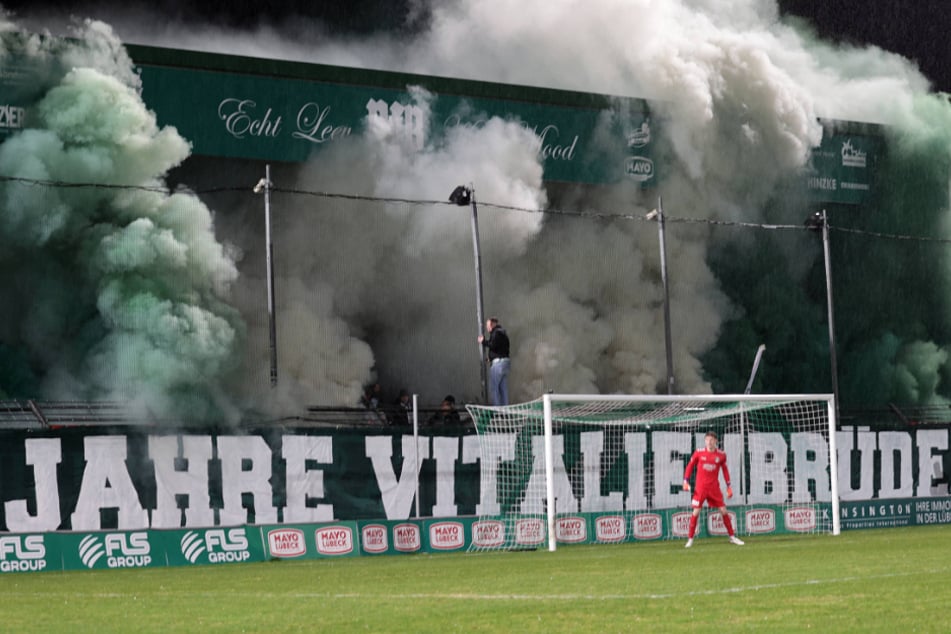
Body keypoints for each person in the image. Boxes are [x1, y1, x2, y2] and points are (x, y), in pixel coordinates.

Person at [682, 430, 744, 548]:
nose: (709, 442)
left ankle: (732, 537)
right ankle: (690, 539)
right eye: (707, 440)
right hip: (701, 488)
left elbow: (725, 470)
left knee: (723, 511)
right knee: (696, 512)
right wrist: (685, 481)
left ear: (716, 441)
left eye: (711, 440)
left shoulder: (721, 455)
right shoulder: (699, 453)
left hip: (714, 488)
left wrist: (729, 486)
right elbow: (689, 466)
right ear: (705, 441)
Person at [478, 317, 510, 405]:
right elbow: (501, 349)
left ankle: (497, 410)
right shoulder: (503, 333)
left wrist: (483, 341)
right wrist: (491, 358)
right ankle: (505, 410)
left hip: (498, 364)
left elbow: (493, 345)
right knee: (503, 389)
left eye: (488, 325)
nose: (487, 327)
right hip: (505, 363)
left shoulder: (496, 333)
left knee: (494, 388)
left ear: (493, 324)